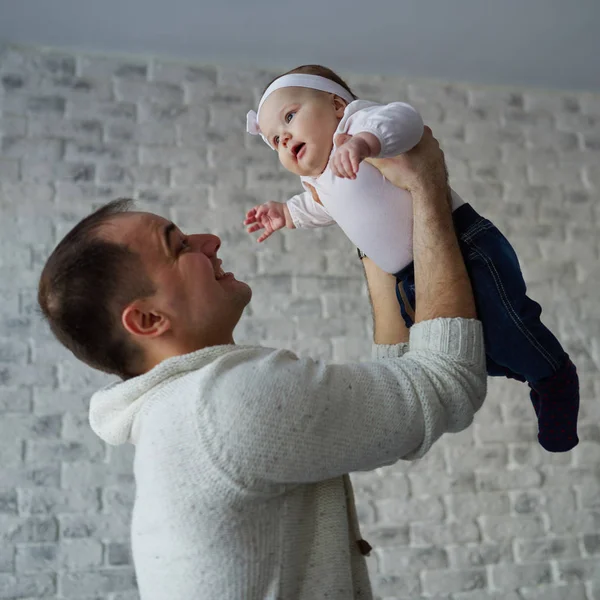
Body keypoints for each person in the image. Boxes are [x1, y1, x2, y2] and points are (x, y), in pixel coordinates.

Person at [37, 128, 486, 600]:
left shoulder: (183, 413)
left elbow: (404, 394)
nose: (209, 240)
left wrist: (365, 221)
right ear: (148, 319)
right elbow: (444, 383)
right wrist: (427, 185)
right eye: (179, 246)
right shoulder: (223, 406)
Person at [244, 64, 579, 453]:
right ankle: (528, 368)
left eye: (290, 117)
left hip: (465, 244)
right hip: (410, 277)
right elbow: (320, 208)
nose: (285, 139)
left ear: (336, 104)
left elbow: (404, 119)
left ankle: (554, 375)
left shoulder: (355, 125)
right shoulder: (318, 182)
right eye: (275, 140)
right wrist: (286, 214)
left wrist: (366, 143)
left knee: (507, 325)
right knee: (470, 350)